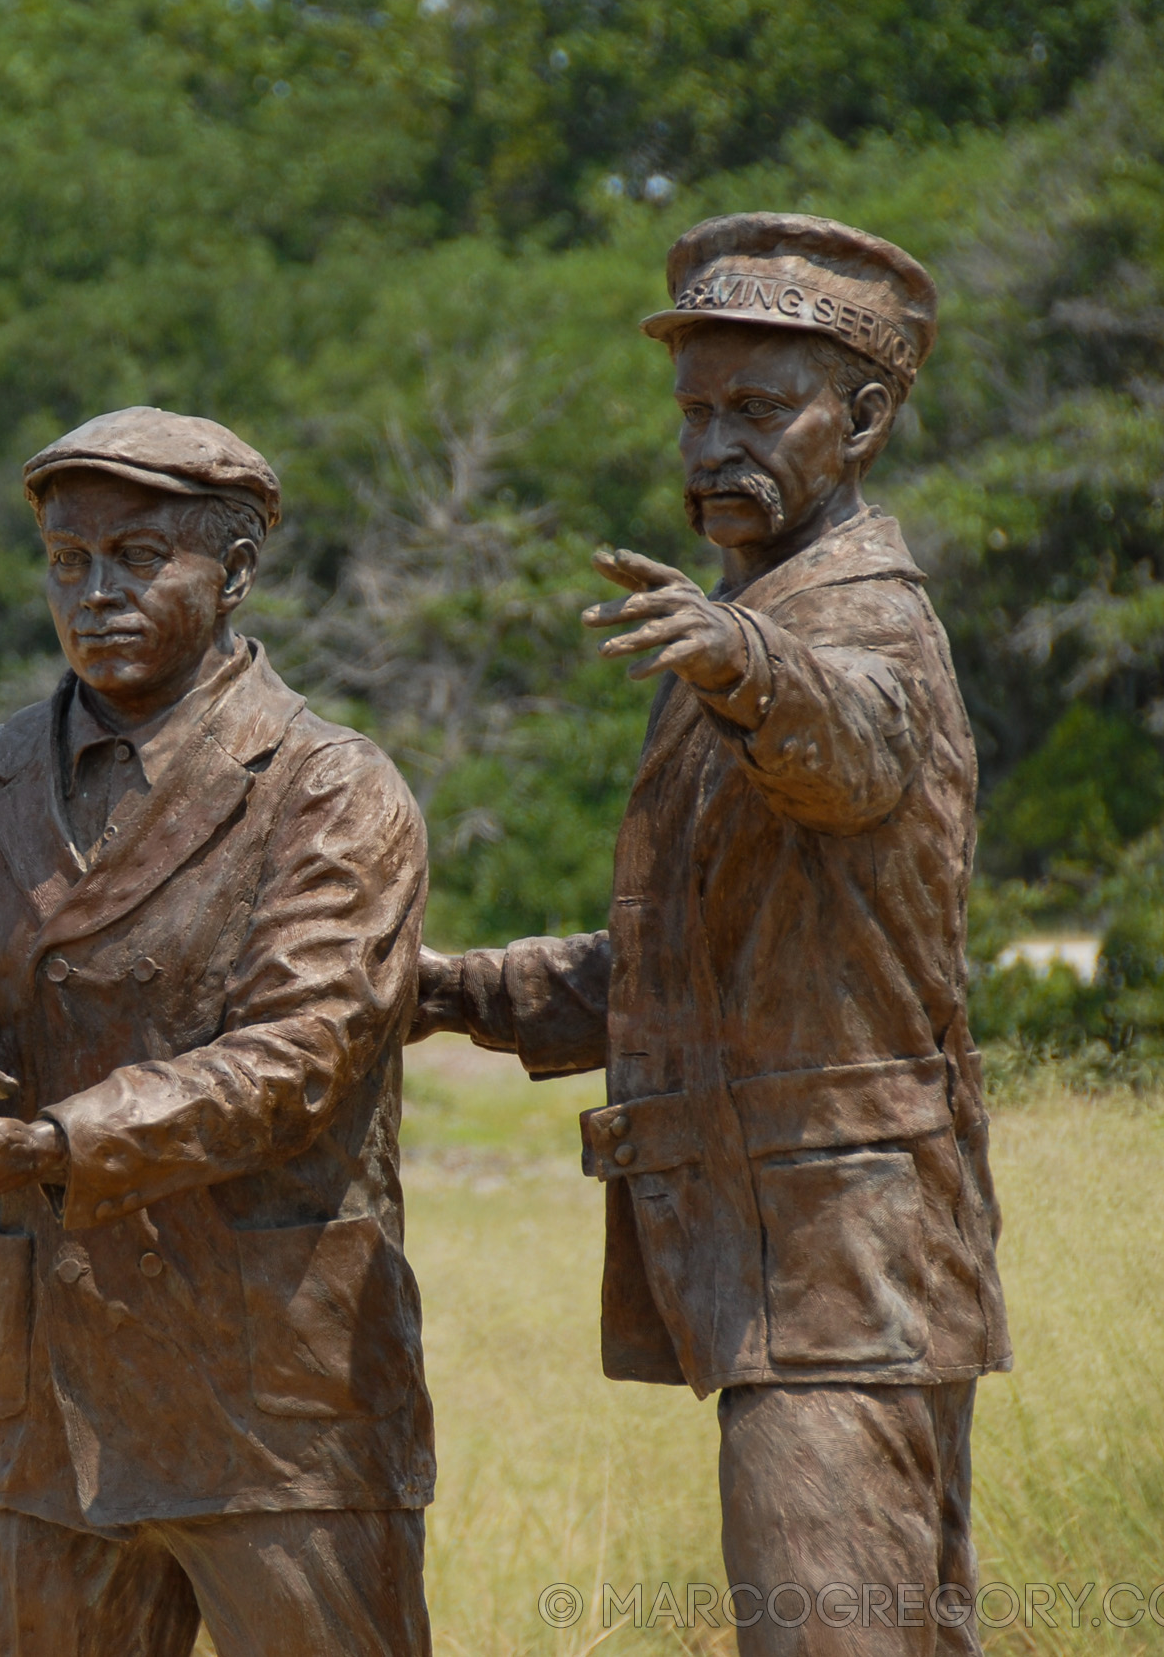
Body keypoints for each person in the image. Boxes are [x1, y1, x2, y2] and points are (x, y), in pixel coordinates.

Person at [416, 214, 1007, 1656]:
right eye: (692, 409)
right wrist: (446, 989)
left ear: (863, 419)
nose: (706, 443)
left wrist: (743, 662)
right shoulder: (749, 618)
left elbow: (854, 747)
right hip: (794, 1260)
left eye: (755, 405)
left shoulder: (853, 618)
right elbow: (678, 965)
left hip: (842, 1261)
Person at [0, 407, 432, 1656]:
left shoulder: (331, 786)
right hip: (52, 1395)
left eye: (136, 557)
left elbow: (300, 1057)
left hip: (277, 1389)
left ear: (232, 573)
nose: (96, 591)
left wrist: (61, 1141)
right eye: (70, 560)